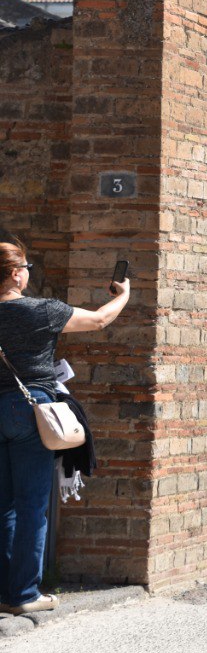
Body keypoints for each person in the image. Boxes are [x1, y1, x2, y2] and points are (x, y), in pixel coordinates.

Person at [0, 243, 130, 614]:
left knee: (4, 506)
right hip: (30, 409)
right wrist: (124, 295)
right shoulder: (41, 310)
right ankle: (23, 594)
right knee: (31, 505)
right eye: (26, 265)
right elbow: (99, 320)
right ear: (16, 273)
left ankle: (6, 590)